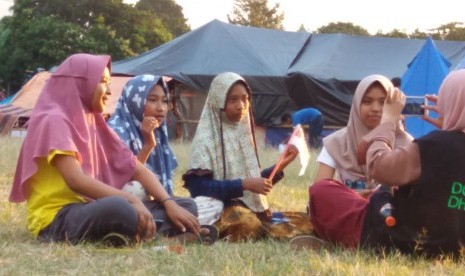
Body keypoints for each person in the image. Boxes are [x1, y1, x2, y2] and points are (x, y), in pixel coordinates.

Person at [8, 53, 212, 246]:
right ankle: (159, 238)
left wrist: (168, 202)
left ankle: (148, 235)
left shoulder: (95, 123)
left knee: (186, 206)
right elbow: (75, 180)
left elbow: (136, 169)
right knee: (120, 209)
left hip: (94, 207)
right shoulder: (54, 119)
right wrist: (131, 200)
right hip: (58, 219)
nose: (109, 90)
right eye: (102, 82)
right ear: (80, 83)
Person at [182, 72, 313, 242]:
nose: (241, 105)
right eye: (233, 100)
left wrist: (281, 165)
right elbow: (198, 187)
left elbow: (255, 183)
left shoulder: (243, 134)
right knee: (247, 224)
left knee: (307, 223)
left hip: (249, 209)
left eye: (245, 99)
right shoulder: (205, 139)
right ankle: (207, 231)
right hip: (222, 209)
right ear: (218, 101)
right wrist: (245, 184)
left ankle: (269, 231)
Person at [305, 75, 413, 249]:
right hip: (351, 212)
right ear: (356, 105)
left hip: (388, 214)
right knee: (320, 190)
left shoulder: (407, 143)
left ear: (393, 108)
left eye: (383, 103)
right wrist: (353, 197)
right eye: (367, 102)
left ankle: (347, 239)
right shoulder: (337, 141)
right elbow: (319, 190)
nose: (376, 108)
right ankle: (365, 238)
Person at [108, 74, 223, 225]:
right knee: (134, 188)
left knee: (213, 204)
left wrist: (170, 204)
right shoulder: (115, 131)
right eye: (152, 100)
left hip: (156, 204)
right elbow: (120, 181)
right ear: (134, 100)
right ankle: (170, 225)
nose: (161, 108)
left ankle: (166, 224)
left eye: (165, 101)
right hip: (124, 205)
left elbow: (165, 191)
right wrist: (148, 146)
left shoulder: (159, 132)